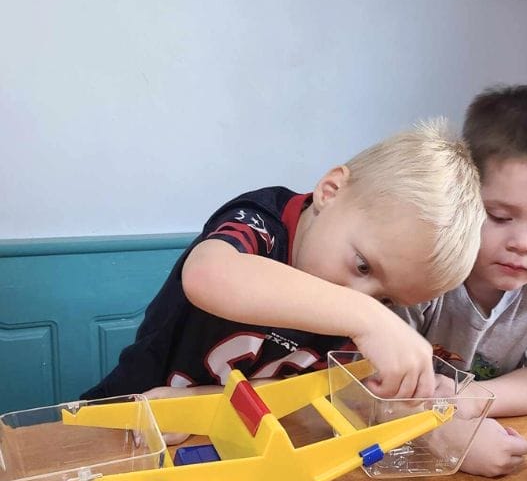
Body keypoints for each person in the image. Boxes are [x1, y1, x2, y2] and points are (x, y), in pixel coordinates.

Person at [82, 121, 485, 426]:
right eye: (363, 265)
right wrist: (372, 317)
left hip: (215, 426)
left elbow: (293, 394)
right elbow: (208, 276)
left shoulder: (357, 311)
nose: (363, 296)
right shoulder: (264, 221)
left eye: (386, 300)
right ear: (331, 191)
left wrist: (199, 404)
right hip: (125, 414)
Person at [397, 84, 527, 477]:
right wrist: (443, 435)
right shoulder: (425, 257)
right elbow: (366, 375)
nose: (524, 244)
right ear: (463, 196)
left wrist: (472, 397)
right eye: (501, 217)